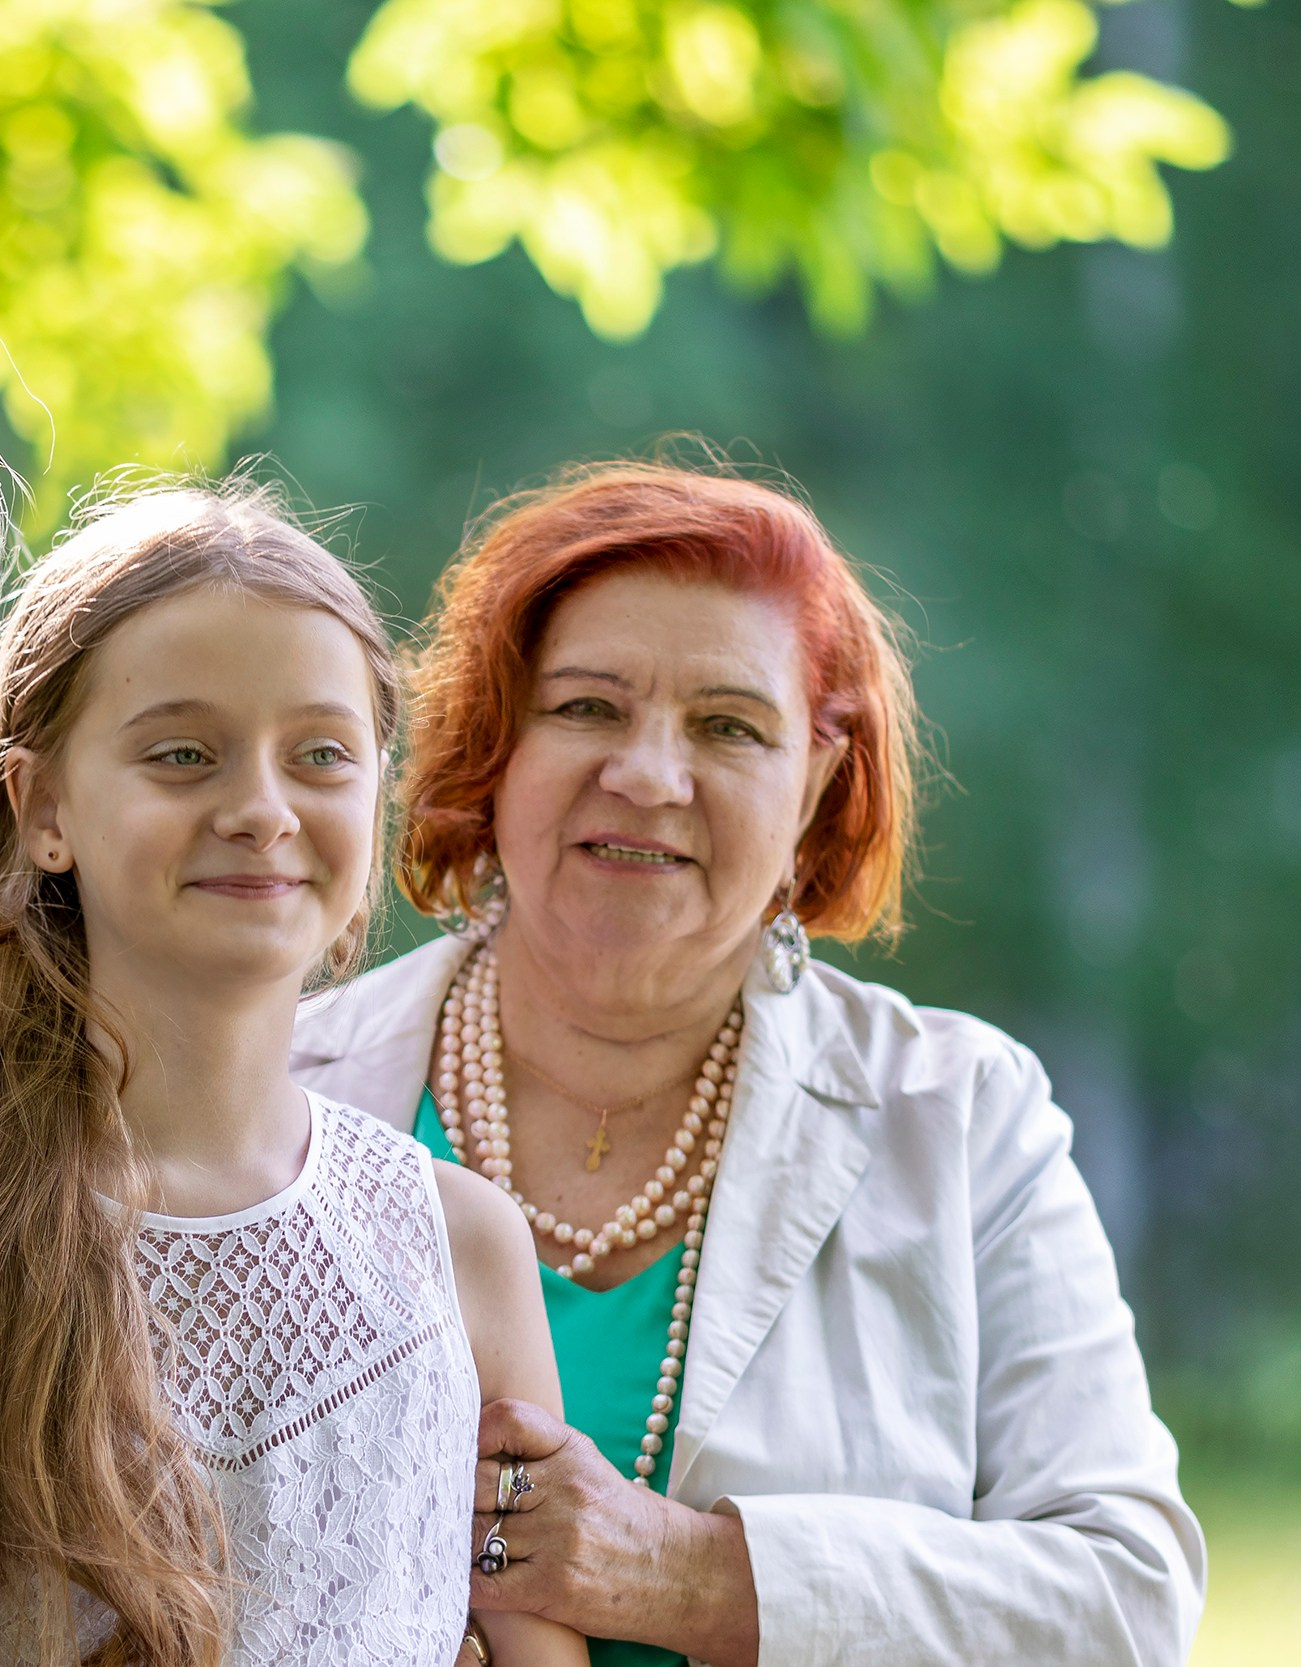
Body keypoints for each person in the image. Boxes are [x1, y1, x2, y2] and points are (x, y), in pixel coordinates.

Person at [291, 462, 1206, 1667]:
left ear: (815, 781)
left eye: (728, 725)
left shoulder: (962, 1117)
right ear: (495, 742)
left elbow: (1125, 1596)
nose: (649, 774)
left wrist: (685, 1574)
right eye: (587, 708)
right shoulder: (284, 1089)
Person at [0, 487, 589, 1666]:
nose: (260, 809)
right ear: (40, 806)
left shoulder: (462, 1245)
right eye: (182, 754)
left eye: (320, 755)